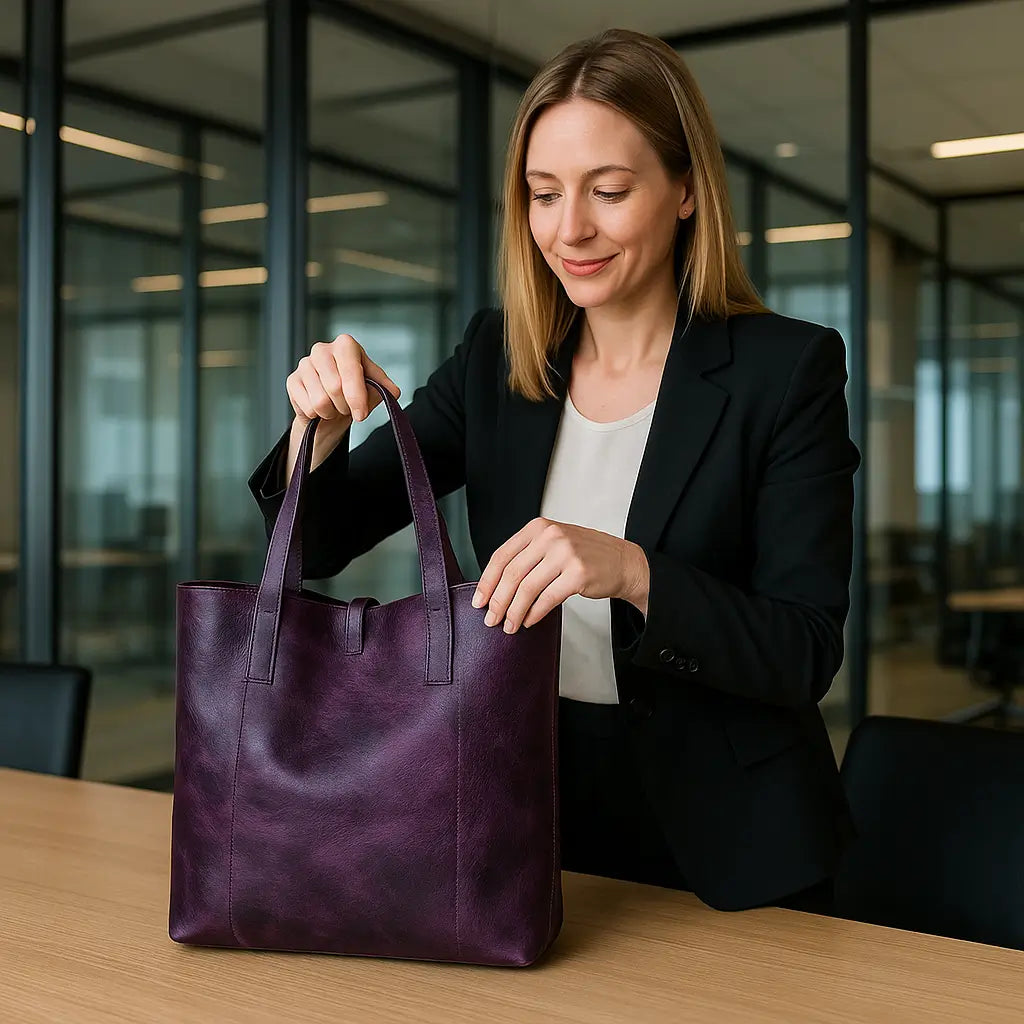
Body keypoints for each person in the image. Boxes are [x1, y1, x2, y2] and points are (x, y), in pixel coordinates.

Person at [248, 28, 860, 915]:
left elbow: (804, 650)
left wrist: (634, 572)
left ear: (687, 190)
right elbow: (317, 544)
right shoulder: (498, 358)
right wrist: (320, 432)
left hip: (731, 836)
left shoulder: (786, 371)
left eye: (608, 191)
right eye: (543, 195)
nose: (570, 229)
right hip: (525, 803)